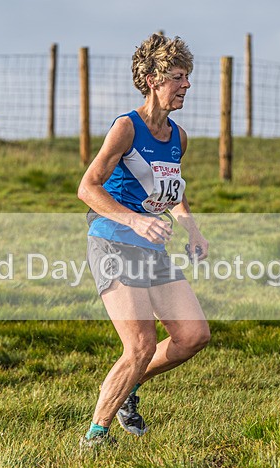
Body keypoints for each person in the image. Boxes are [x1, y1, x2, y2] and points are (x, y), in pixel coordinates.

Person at [77, 33, 210, 447]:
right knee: (140, 344)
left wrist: (191, 227)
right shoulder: (126, 128)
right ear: (152, 79)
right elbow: (88, 187)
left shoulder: (178, 137)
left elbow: (171, 190)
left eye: (187, 77)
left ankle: (129, 387)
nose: (186, 85)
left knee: (193, 336)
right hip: (114, 242)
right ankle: (96, 435)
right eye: (177, 77)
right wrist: (135, 221)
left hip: (151, 248)